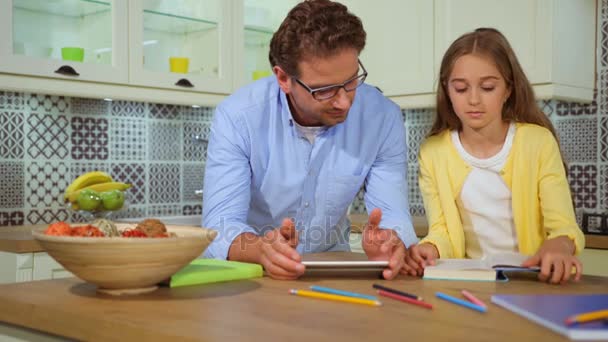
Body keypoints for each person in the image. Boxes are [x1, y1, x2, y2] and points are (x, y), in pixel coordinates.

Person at [202, 0, 418, 280]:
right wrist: (261, 249)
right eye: (325, 90)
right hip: (255, 274)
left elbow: (393, 213)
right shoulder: (238, 117)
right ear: (283, 78)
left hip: (333, 270)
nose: (344, 102)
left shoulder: (382, 117)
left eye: (352, 81)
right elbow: (220, 226)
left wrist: (391, 241)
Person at [404, 28, 585, 284]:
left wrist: (560, 245)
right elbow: (442, 231)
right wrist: (429, 249)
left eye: (488, 87)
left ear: (508, 89)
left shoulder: (538, 143)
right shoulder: (433, 153)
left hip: (533, 283)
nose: (474, 99)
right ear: (447, 90)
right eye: (461, 88)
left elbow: (563, 226)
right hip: (472, 283)